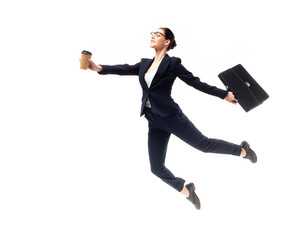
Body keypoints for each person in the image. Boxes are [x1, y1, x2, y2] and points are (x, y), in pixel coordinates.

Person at [87, 27, 257, 210]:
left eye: (158, 34)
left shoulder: (173, 63)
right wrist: (99, 68)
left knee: (204, 145)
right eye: (152, 33)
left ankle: (242, 151)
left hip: (171, 116)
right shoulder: (145, 64)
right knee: (156, 168)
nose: (153, 36)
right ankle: (187, 191)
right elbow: (125, 69)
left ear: (167, 41)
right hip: (153, 118)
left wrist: (223, 94)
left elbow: (195, 82)